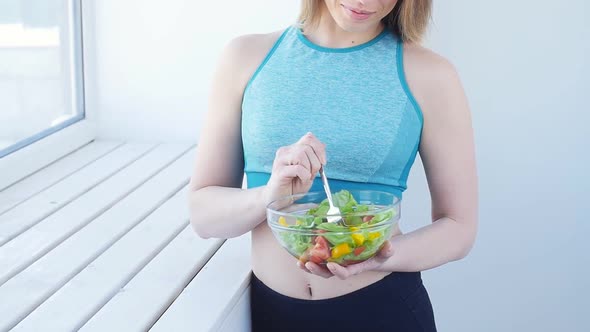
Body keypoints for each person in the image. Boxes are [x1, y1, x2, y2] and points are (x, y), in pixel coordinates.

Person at [188, 0, 478, 330]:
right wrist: (270, 193)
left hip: (382, 312)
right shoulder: (244, 58)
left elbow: (459, 227)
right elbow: (204, 215)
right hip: (272, 315)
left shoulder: (430, 74)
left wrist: (377, 256)